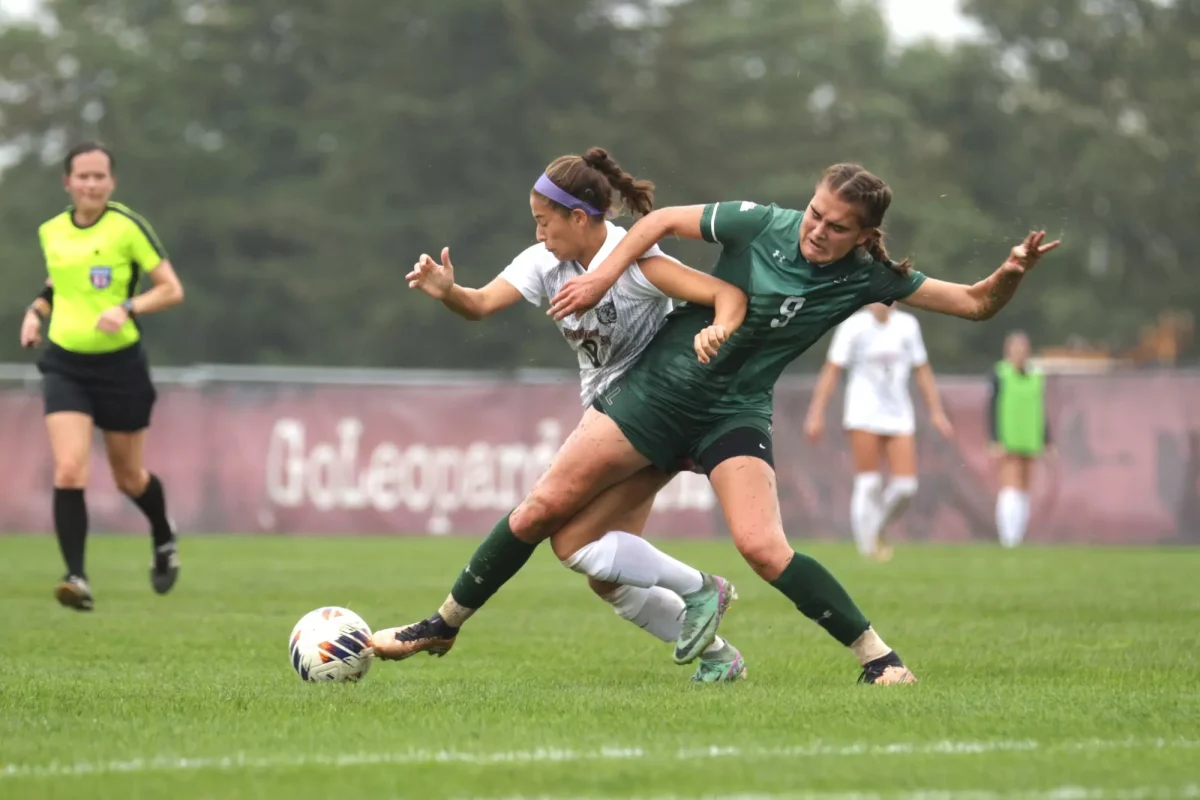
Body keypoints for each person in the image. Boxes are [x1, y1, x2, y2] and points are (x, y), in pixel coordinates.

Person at [373, 163, 1058, 685]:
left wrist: (1011, 273)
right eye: (816, 213)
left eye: (836, 225)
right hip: (658, 394)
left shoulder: (865, 278)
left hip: (735, 412)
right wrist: (605, 276)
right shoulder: (760, 222)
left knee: (764, 548)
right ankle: (445, 623)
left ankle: (877, 658)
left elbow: (973, 305)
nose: (817, 230)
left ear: (865, 235)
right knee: (555, 520)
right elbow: (659, 222)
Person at [397, 147, 750, 682]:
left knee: (551, 521)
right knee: (603, 571)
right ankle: (718, 656)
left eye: (544, 222)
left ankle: (444, 621)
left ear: (579, 218)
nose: (539, 235)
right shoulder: (546, 263)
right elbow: (481, 304)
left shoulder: (640, 263)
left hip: (650, 411)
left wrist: (720, 328)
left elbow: (725, 293)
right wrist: (449, 293)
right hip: (612, 414)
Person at [19, 141, 185, 611]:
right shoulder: (51, 231)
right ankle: (77, 577)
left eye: (99, 176)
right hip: (65, 363)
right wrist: (36, 311)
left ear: (111, 182)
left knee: (129, 477)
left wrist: (127, 306)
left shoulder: (127, 227)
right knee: (69, 468)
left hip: (120, 367)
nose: (91, 184)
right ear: (67, 182)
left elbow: (171, 290)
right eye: (83, 176)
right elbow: (58, 281)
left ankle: (163, 533)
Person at [803, 302, 953, 561]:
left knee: (906, 486)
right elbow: (832, 370)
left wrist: (936, 412)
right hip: (863, 412)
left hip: (898, 413)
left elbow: (923, 370)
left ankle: (877, 527)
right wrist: (816, 413)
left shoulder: (908, 325)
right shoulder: (853, 326)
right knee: (869, 482)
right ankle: (868, 551)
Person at [989, 330, 1051, 548]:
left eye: (1023, 348)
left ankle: (1018, 535)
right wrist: (995, 439)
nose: (1019, 352)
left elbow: (1041, 409)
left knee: (1025, 486)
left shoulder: (1036, 375)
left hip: (1030, 436)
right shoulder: (1001, 373)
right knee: (1010, 485)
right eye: (1015, 348)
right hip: (1009, 437)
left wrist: (1047, 439)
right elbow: (992, 408)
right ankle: (1008, 537)